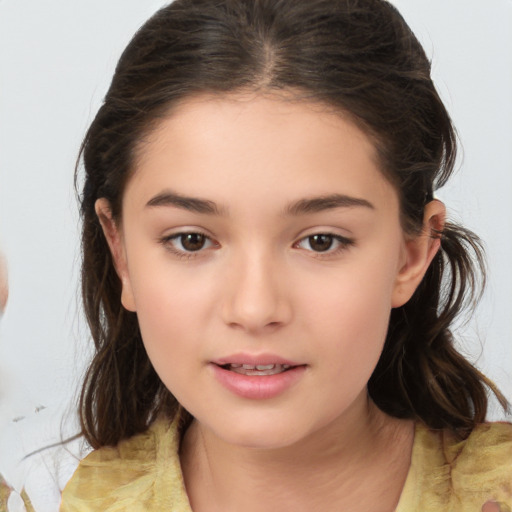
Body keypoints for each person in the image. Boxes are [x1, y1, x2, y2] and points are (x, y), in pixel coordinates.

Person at [60, 0, 512, 510]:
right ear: (119, 250)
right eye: (191, 240)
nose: (254, 309)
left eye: (322, 241)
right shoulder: (54, 497)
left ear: (412, 255)